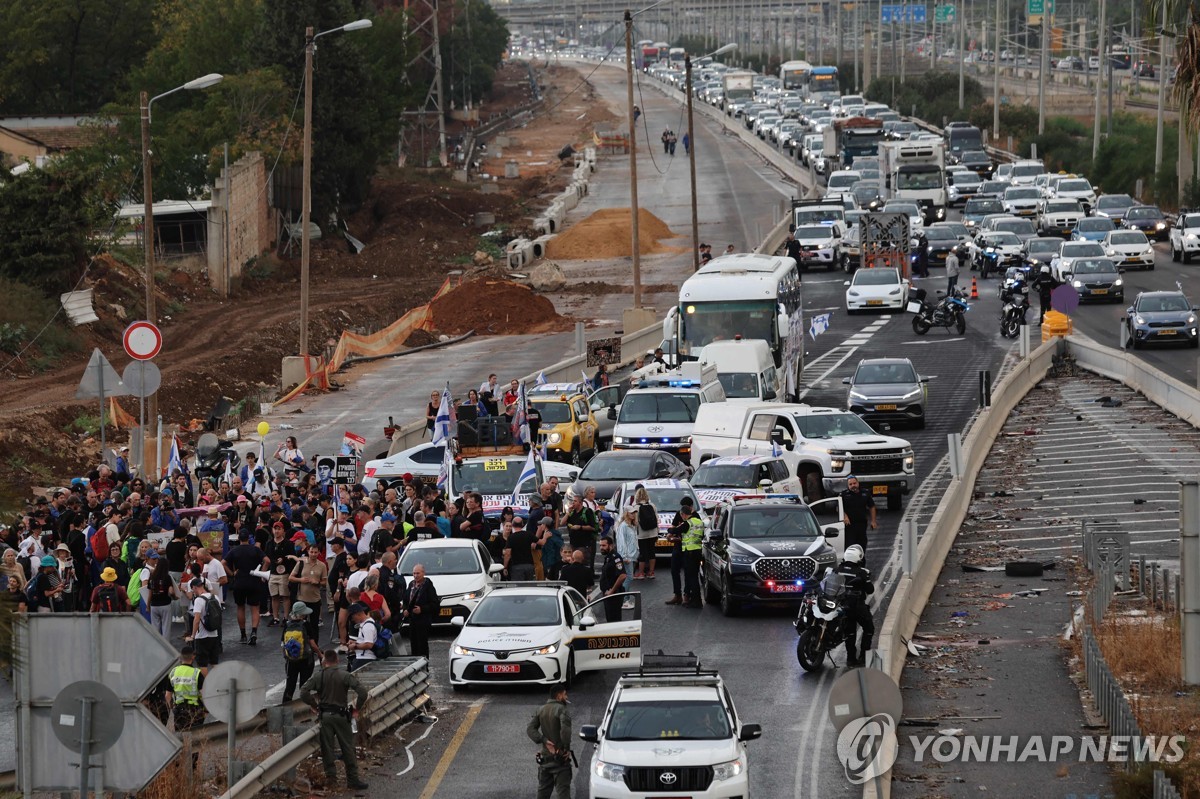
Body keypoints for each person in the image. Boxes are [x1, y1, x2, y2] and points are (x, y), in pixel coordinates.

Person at [300, 650, 369, 789]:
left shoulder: (319, 676)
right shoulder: (345, 675)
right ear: (337, 660)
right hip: (342, 716)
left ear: (324, 661)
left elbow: (303, 692)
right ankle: (353, 780)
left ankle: (331, 779)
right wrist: (357, 709)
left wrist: (314, 705)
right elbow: (363, 692)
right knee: (348, 747)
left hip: (325, 716)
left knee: (327, 749)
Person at [526, 684, 573, 799]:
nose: (566, 697)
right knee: (563, 794)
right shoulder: (562, 709)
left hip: (545, 761)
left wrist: (544, 740)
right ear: (559, 695)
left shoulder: (541, 710)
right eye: (565, 694)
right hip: (560, 761)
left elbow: (530, 729)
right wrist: (566, 749)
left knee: (542, 794)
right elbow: (565, 731)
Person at [226, 529, 267, 645]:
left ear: (239, 539)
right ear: (249, 539)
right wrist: (261, 574)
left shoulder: (234, 551)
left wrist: (231, 574)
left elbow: (223, 563)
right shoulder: (255, 550)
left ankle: (243, 634)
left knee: (240, 607)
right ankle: (254, 632)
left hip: (239, 581)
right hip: (253, 580)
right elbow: (267, 560)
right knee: (255, 608)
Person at [837, 544, 875, 666]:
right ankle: (863, 656)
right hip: (857, 605)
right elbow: (870, 590)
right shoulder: (862, 572)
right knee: (869, 628)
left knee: (850, 631)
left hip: (842, 604)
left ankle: (850, 658)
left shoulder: (837, 569)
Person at [281, 601, 321, 701]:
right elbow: (312, 643)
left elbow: (283, 643)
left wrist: (287, 656)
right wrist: (320, 654)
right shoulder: (306, 624)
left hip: (291, 660)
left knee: (290, 685)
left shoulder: (287, 624)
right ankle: (304, 706)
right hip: (306, 660)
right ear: (303, 614)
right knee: (304, 686)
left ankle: (285, 707)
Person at [167, 644, 207, 734]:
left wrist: (172, 708)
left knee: (181, 738)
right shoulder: (197, 673)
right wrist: (206, 710)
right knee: (196, 739)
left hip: (179, 711)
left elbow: (167, 695)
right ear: (193, 657)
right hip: (195, 711)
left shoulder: (173, 672)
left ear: (181, 657)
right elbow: (204, 694)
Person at [402, 563, 439, 658]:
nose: (415, 575)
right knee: (413, 644)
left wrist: (422, 609)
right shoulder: (411, 584)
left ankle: (424, 666)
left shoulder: (428, 586)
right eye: (414, 573)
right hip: (412, 620)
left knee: (422, 645)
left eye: (418, 573)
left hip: (423, 620)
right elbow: (406, 600)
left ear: (423, 573)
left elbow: (435, 604)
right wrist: (406, 610)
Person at [186, 578, 222, 672]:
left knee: (202, 664)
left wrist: (193, 635)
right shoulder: (215, 597)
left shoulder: (198, 600)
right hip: (215, 634)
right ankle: (219, 682)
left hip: (202, 636)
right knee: (214, 662)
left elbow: (197, 619)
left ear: (194, 588)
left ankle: (207, 685)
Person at [840, 475, 877, 557]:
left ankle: (862, 565)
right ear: (848, 486)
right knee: (850, 546)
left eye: (854, 483)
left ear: (858, 483)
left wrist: (873, 521)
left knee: (862, 546)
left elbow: (872, 506)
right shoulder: (844, 495)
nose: (853, 486)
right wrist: (845, 516)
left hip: (862, 524)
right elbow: (838, 508)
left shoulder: (865, 493)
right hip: (849, 526)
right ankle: (851, 565)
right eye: (850, 484)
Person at [563, 493, 598, 572]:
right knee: (574, 563)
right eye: (572, 501)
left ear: (580, 503)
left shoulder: (587, 512)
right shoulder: (572, 512)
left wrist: (580, 527)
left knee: (582, 563)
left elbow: (592, 527)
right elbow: (562, 522)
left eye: (575, 501)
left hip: (584, 544)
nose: (573, 503)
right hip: (573, 543)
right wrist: (568, 512)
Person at [680, 501, 704, 609]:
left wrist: (670, 530)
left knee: (692, 578)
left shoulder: (687, 523)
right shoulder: (699, 521)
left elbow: (676, 530)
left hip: (689, 552)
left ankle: (696, 601)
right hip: (698, 551)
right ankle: (696, 600)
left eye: (682, 515)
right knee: (695, 576)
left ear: (684, 514)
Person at [597, 536, 627, 622]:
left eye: (604, 545)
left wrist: (612, 591)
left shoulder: (616, 558)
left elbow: (623, 575)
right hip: (608, 595)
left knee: (614, 621)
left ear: (611, 546)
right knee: (610, 620)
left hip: (614, 596)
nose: (601, 548)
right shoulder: (608, 557)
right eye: (600, 546)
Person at [631, 486, 658, 579]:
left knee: (642, 553)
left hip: (642, 534)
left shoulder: (636, 508)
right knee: (652, 552)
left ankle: (641, 573)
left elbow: (635, 522)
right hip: (653, 533)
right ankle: (651, 572)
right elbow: (656, 519)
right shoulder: (652, 506)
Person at [346, 603, 376, 672]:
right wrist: (355, 642)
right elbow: (365, 641)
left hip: (365, 658)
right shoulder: (364, 624)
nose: (352, 620)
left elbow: (369, 644)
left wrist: (355, 646)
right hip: (363, 658)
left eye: (352, 617)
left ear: (358, 614)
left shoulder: (367, 626)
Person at [505, 516, 537, 581]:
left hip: (517, 567)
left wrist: (505, 567)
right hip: (529, 566)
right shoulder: (529, 534)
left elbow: (508, 554)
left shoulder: (511, 537)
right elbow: (541, 542)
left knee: (518, 588)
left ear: (513, 525)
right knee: (530, 587)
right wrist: (545, 536)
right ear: (522, 524)